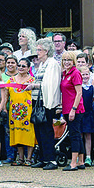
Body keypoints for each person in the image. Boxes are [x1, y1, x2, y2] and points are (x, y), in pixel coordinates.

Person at [28, 38, 62, 170]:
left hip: (46, 102)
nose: (37, 52)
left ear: (46, 51)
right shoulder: (42, 64)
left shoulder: (52, 64)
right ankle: (43, 157)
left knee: (46, 130)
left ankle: (51, 159)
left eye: (39, 50)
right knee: (38, 130)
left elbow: (50, 84)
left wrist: (34, 86)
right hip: (38, 100)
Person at [59, 50, 85, 171]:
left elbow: (79, 93)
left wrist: (73, 109)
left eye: (69, 60)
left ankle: (73, 163)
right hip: (66, 107)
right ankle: (81, 161)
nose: (66, 62)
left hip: (75, 108)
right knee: (76, 133)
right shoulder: (65, 73)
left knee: (74, 135)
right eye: (64, 60)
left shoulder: (75, 73)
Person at [8, 58, 35, 166]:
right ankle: (20, 158)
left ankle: (29, 158)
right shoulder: (11, 80)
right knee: (17, 133)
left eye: (23, 66)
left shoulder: (33, 80)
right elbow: (5, 95)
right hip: (14, 112)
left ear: (28, 68)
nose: (20, 67)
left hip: (28, 111)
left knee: (29, 133)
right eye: (19, 65)